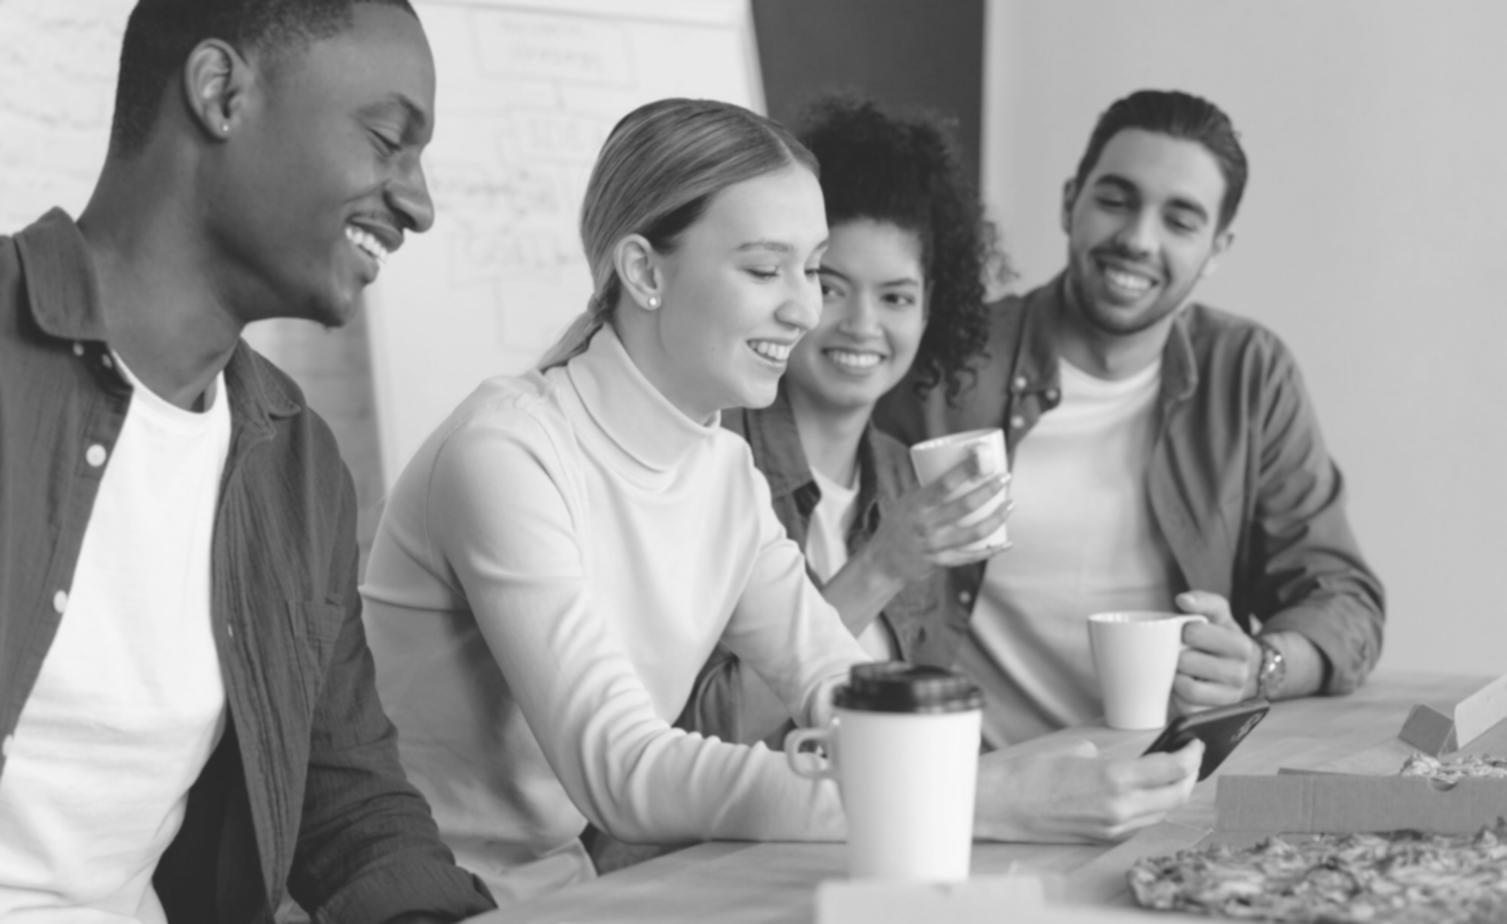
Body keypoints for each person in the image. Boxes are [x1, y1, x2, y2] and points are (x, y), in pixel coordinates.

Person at [361, 95, 1202, 904]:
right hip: (422, 900)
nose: (804, 309)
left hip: (569, 893)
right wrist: (975, 796)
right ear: (644, 270)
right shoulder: (507, 453)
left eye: (809, 268)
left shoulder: (720, 471)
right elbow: (623, 774)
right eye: (766, 269)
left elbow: (834, 680)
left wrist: (997, 771)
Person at [0, 1, 494, 922]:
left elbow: (346, 801)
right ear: (221, 93)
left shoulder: (294, 459)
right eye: (389, 138)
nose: (419, 205)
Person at [876, 88, 1386, 748]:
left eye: (1179, 221)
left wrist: (1260, 666)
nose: (1137, 239)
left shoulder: (1248, 374)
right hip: (969, 781)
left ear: (1217, 247)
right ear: (1070, 202)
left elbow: (1345, 601)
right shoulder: (949, 362)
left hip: (1169, 782)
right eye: (1115, 200)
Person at [676, 95, 1011, 748]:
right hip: (720, 844)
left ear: (928, 311)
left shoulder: (901, 476)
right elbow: (699, 732)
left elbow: (920, 710)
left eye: (895, 297)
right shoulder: (711, 458)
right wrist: (883, 564)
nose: (863, 325)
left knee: (1221, 812)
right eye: (831, 287)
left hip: (869, 826)